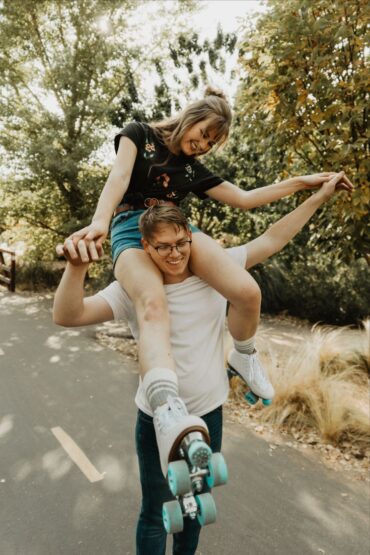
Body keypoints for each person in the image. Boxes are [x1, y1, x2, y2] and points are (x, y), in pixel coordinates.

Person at [61, 86, 353, 477]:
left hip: (180, 228)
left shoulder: (194, 171)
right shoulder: (139, 134)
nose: (203, 145)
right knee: (152, 303)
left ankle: (244, 357)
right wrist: (100, 222)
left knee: (247, 290)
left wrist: (303, 183)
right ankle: (165, 407)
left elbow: (246, 198)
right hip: (132, 229)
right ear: (191, 116)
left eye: (212, 143)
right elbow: (118, 177)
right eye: (203, 134)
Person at [54, 173, 347, 555]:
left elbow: (273, 238)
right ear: (144, 246)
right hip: (156, 422)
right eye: (163, 248)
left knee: (194, 513)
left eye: (181, 244)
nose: (175, 254)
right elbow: (69, 315)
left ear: (190, 238)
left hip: (207, 416)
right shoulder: (135, 289)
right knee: (156, 512)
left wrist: (318, 197)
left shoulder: (216, 273)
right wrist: (76, 267)